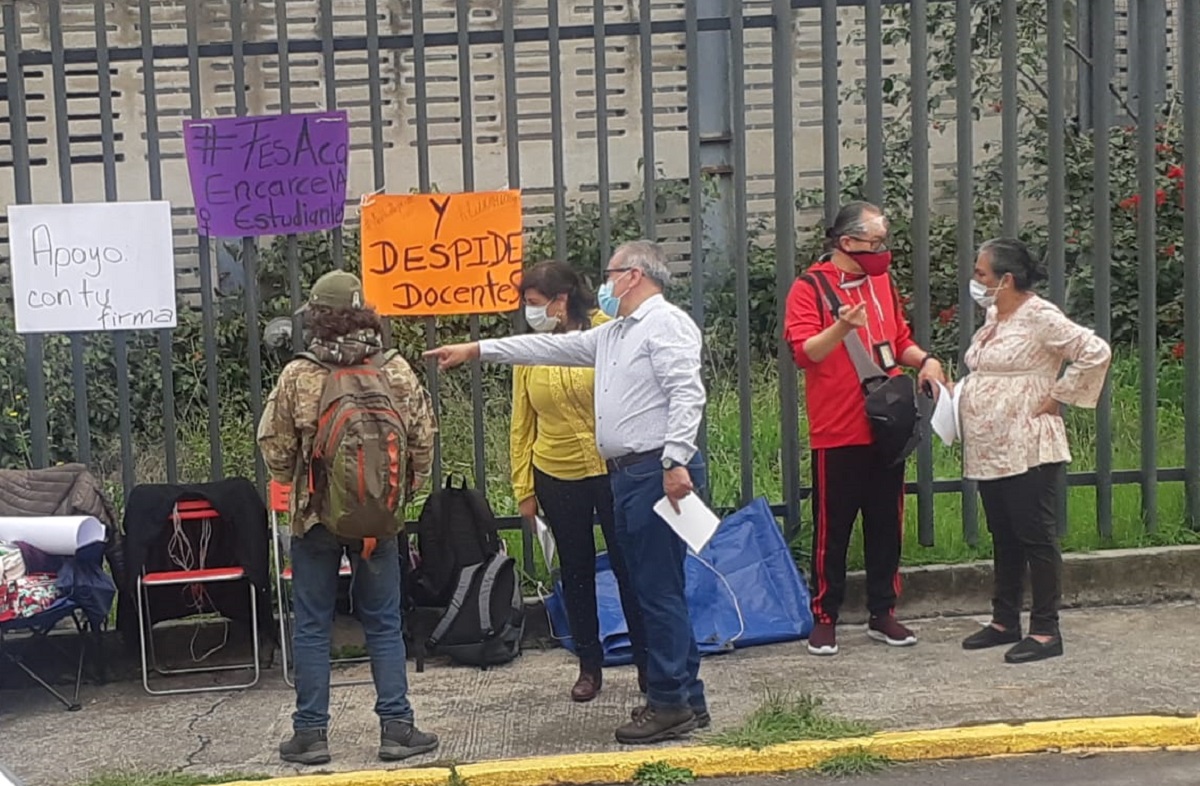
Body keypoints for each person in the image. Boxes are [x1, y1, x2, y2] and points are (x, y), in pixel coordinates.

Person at [426, 240, 709, 745]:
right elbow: (547, 348)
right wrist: (477, 350)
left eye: (612, 272)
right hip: (628, 473)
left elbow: (687, 391)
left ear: (635, 275)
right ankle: (686, 695)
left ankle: (669, 703)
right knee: (655, 587)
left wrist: (676, 459)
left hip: (653, 470)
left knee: (656, 590)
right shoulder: (618, 333)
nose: (604, 281)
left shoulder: (664, 324)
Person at [258, 270, 440, 765]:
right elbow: (423, 436)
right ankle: (397, 728)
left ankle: (312, 735)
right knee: (383, 622)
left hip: (315, 517)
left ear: (317, 316)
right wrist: (397, 492)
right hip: (378, 520)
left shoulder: (300, 374)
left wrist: (300, 478)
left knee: (313, 624)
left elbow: (275, 449)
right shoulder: (396, 369)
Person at [783, 200, 945, 657]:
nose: (882, 252)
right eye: (874, 243)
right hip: (837, 425)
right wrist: (840, 327)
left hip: (887, 421)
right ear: (847, 241)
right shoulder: (809, 288)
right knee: (832, 529)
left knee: (886, 522)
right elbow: (805, 352)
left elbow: (899, 341)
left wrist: (926, 361)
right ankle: (825, 616)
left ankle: (883, 611)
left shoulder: (881, 282)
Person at [956, 238, 1111, 664]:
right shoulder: (994, 316)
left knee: (1035, 537)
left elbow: (1094, 351)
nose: (976, 280)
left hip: (1027, 443)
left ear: (1006, 279)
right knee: (1003, 535)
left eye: (982, 273)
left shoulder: (1040, 316)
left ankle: (1046, 629)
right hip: (991, 446)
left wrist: (1060, 395)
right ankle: (1005, 619)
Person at [510, 261, 648, 703]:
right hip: (557, 470)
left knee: (631, 568)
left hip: (615, 470)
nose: (529, 312)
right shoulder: (532, 347)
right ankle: (590, 665)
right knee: (576, 571)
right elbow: (521, 422)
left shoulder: (611, 331)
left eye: (533, 304)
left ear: (561, 300)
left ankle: (649, 664)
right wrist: (524, 490)